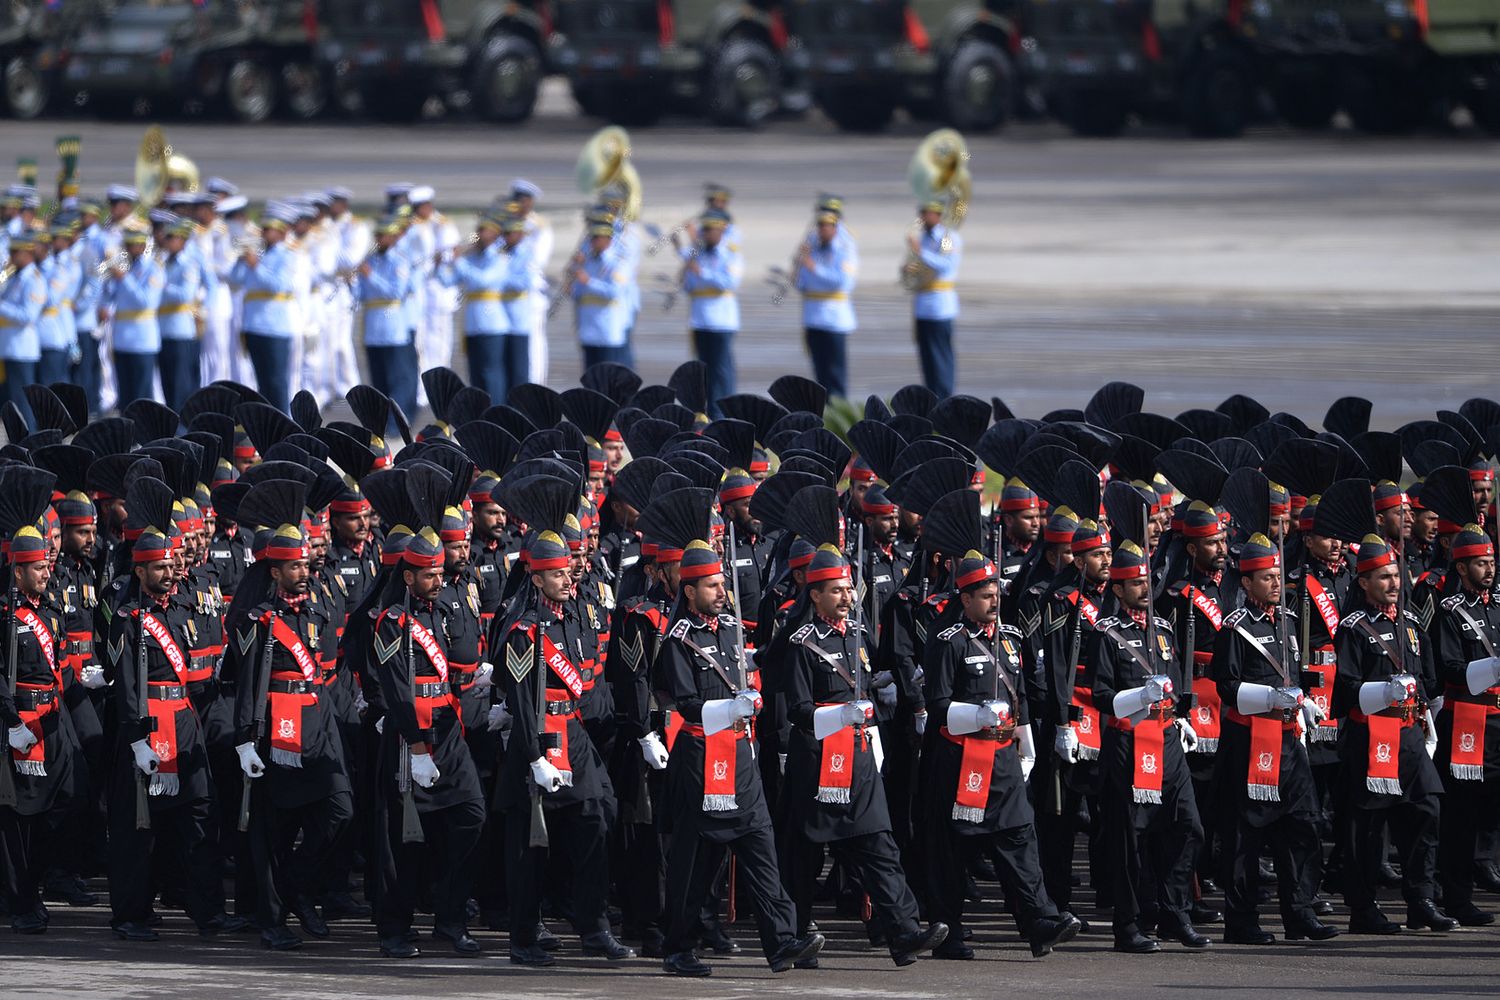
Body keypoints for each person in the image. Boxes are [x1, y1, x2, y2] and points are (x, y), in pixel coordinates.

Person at [653, 508, 825, 977]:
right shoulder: (678, 639)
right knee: (698, 858)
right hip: (700, 756)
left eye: (722, 583)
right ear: (689, 591)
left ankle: (781, 940)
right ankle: (679, 945)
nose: (721, 591)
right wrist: (731, 708)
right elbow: (686, 703)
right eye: (711, 585)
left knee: (759, 843)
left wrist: (753, 689)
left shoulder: (731, 626)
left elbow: (753, 672)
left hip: (741, 755)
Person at [780, 542, 950, 964]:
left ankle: (904, 932)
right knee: (803, 856)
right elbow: (799, 711)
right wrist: (841, 713)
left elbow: (868, 683)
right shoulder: (801, 643)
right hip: (817, 763)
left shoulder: (858, 633)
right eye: (836, 590)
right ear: (815, 594)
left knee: (881, 846)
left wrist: (881, 696)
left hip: (857, 760)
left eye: (849, 589)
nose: (847, 597)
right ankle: (796, 935)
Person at [494, 474, 633, 967]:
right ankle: (523, 936)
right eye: (557, 575)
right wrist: (532, 756)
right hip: (537, 739)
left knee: (596, 818)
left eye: (568, 574)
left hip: (572, 733)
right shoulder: (523, 630)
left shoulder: (573, 616)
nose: (569, 579)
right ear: (536, 578)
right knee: (528, 843)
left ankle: (593, 927)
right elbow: (521, 697)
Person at [226, 481, 351, 951]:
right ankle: (272, 919)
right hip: (276, 725)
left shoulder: (318, 605)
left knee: (341, 811)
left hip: (319, 722)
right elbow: (249, 683)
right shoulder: (261, 619)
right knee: (274, 830)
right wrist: (244, 740)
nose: (304, 570)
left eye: (304, 562)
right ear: (274, 572)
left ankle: (297, 886)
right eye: (294, 565)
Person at [1211, 531, 1339, 943]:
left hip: (1288, 740)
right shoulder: (1236, 627)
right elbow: (1226, 686)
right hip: (1250, 741)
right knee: (1247, 835)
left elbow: (1295, 678)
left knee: (1303, 826)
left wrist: (1303, 701)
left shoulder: (1287, 620)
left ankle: (1299, 912)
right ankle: (1242, 920)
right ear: (1246, 583)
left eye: (1277, 575)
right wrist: (1270, 696)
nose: (1275, 583)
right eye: (1266, 577)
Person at [368, 520, 486, 958]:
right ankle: (394, 928)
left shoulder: (443, 612)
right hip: (409, 739)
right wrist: (416, 747)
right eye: (429, 574)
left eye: (440, 573)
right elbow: (397, 689)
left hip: (448, 731)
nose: (438, 581)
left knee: (472, 814)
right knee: (404, 841)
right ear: (408, 577)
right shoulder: (392, 622)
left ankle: (450, 916)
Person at [1088, 539, 1208, 953]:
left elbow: (1176, 683)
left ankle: (1174, 911)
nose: (1144, 587)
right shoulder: (1107, 634)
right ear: (1117, 591)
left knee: (1188, 827)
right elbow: (1101, 695)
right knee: (1130, 840)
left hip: (1168, 739)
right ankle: (1129, 924)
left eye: (1146, 580)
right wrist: (1140, 696)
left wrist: (1184, 718)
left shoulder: (1164, 628)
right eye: (1134, 583)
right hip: (1129, 742)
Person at [1331, 531, 1451, 934]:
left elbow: (1430, 678)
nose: (1394, 584)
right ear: (1363, 582)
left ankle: (1421, 900)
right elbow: (1345, 689)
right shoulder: (1353, 627)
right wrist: (1384, 690)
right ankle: (1363, 908)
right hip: (1371, 737)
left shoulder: (1412, 622)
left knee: (1426, 809)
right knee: (1368, 827)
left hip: (1410, 733)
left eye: (1396, 576)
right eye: (1383, 577)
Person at [1431, 522, 1500, 926]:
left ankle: (1485, 865)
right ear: (1460, 568)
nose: (1488, 570)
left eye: (1491, 562)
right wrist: (1493, 667)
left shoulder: (1498, 605)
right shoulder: (1450, 612)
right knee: (1462, 815)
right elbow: (1449, 669)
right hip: (1468, 721)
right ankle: (1457, 897)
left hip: (1499, 719)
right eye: (1479, 564)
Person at [228, 209, 300, 412]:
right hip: (253, 326)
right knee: (262, 380)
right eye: (264, 229)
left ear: (282, 232)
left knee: (277, 380)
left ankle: (283, 420)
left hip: (274, 326)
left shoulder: (287, 256)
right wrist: (241, 260)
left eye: (270, 229)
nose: (265, 233)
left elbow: (277, 285)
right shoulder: (258, 255)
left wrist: (255, 266)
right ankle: (267, 422)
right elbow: (234, 279)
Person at [354, 217, 418, 420]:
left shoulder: (400, 261)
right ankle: (381, 421)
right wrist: (353, 282)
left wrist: (370, 276)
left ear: (392, 237)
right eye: (377, 236)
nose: (379, 240)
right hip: (373, 327)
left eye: (383, 236)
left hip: (393, 326)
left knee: (397, 377)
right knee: (378, 378)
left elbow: (395, 292)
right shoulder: (371, 260)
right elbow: (362, 295)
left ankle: (396, 421)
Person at [680, 210, 742, 415]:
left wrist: (702, 273)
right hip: (700, 319)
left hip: (721, 320)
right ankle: (708, 413)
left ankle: (722, 414)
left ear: (720, 230)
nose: (704, 234)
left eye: (709, 229)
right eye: (703, 229)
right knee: (704, 372)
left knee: (721, 372)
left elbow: (729, 282)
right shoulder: (697, 253)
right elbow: (688, 284)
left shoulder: (730, 253)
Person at [795, 207, 857, 399]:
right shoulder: (812, 248)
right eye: (819, 225)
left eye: (826, 226)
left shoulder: (947, 236)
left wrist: (815, 270)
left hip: (834, 318)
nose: (821, 230)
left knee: (835, 373)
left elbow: (842, 281)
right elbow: (802, 282)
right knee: (820, 373)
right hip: (814, 317)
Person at [905, 200, 961, 398]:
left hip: (940, 306)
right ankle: (932, 397)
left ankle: (944, 396)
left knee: (941, 356)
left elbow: (945, 264)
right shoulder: (924, 239)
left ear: (937, 215)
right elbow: (919, 267)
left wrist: (920, 252)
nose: (922, 218)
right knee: (927, 358)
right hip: (923, 306)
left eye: (927, 213)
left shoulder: (945, 237)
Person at [102, 230, 165, 407]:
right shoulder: (126, 269)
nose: (129, 250)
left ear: (142, 246)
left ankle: (144, 433)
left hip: (142, 341)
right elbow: (111, 297)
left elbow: (145, 301)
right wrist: (110, 281)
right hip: (122, 340)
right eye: (127, 246)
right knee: (125, 395)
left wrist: (124, 278)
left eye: (133, 246)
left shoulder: (153, 269)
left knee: (142, 395)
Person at [157, 220, 207, 412]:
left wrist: (162, 286)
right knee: (167, 381)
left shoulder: (189, 264)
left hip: (181, 329)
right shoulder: (163, 262)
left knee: (181, 383)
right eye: (167, 237)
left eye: (172, 237)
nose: (167, 241)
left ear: (183, 240)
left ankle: (182, 426)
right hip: (164, 329)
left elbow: (185, 295)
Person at [572, 217, 630, 370]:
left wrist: (589, 282)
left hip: (607, 330)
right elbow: (578, 294)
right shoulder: (586, 262)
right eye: (592, 237)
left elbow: (614, 292)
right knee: (589, 378)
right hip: (588, 329)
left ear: (608, 240)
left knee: (608, 379)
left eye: (598, 238)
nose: (594, 241)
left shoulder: (616, 263)